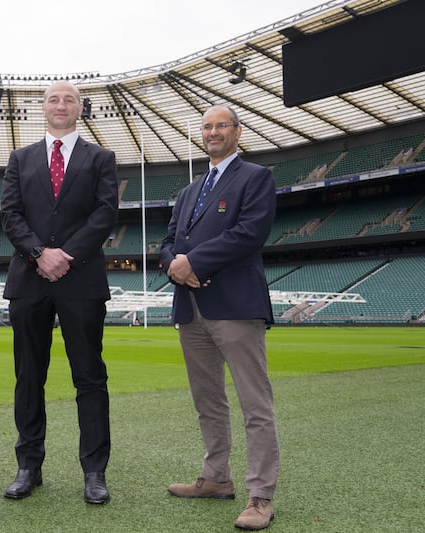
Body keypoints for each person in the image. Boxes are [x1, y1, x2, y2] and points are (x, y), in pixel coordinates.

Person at [159, 104, 279, 531]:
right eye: (207, 127)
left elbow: (250, 232)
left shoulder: (255, 177)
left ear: (237, 132)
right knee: (208, 401)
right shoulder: (191, 189)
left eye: (220, 126)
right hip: (190, 309)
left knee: (255, 404)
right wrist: (174, 263)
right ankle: (215, 478)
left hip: (235, 307)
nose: (212, 132)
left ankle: (260, 495)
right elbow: (168, 240)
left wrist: (192, 263)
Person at [0, 80, 119, 504]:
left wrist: (64, 254)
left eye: (69, 99)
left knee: (89, 377)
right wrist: (39, 254)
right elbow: (10, 215)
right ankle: (28, 465)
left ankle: (94, 471)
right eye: (54, 98)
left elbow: (106, 213)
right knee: (29, 376)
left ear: (81, 108)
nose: (61, 104)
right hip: (29, 280)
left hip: (81, 278)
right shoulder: (19, 158)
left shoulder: (101, 158)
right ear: (43, 108)